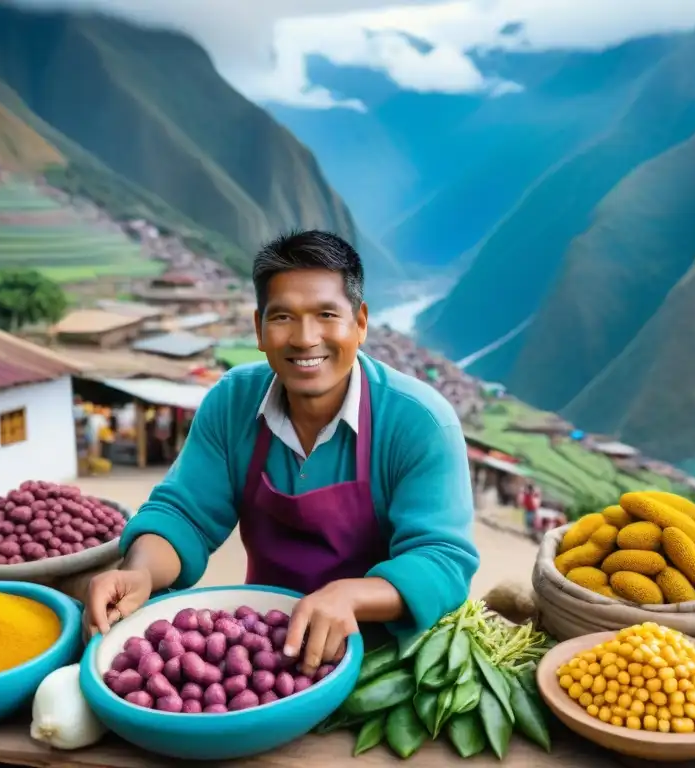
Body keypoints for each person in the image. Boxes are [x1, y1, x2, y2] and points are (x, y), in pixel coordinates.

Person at [85, 230, 479, 675]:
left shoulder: (420, 422)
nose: (305, 338)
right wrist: (140, 572)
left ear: (361, 323)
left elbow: (442, 558)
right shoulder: (233, 403)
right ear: (258, 328)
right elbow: (184, 515)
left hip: (386, 661)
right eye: (283, 317)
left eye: (327, 314)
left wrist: (350, 595)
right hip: (262, 652)